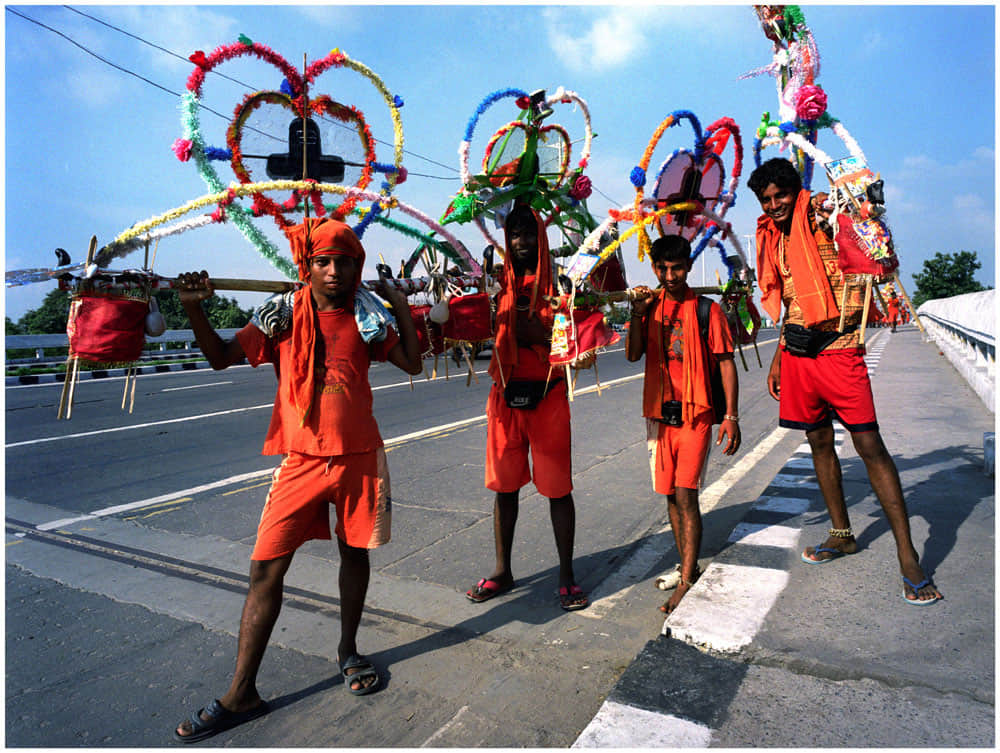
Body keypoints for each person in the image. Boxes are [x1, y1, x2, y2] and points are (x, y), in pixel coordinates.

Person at [173, 218, 423, 743]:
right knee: (265, 570)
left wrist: (399, 302)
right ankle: (242, 692)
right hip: (301, 461)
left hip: (359, 458)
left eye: (345, 261)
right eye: (323, 262)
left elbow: (413, 363)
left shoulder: (368, 316)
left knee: (355, 556)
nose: (334, 271)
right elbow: (220, 359)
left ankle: (348, 651)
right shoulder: (280, 317)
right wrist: (194, 306)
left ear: (357, 266)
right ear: (306, 267)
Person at [748, 157, 941, 605]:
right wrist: (778, 357)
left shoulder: (819, 215)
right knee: (816, 443)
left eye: (781, 196)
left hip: (840, 349)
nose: (774, 205)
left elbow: (852, 211)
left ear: (795, 192)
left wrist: (843, 201)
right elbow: (791, 300)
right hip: (797, 353)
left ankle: (908, 556)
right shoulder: (773, 239)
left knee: (869, 447)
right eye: (767, 199)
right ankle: (841, 533)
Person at [464, 202, 589, 611]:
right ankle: (503, 570)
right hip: (504, 399)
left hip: (548, 397)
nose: (520, 241)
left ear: (541, 237)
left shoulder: (559, 287)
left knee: (558, 490)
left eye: (528, 232)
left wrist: (521, 316)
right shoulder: (495, 284)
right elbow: (476, 328)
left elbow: (558, 338)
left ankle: (567, 573)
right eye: (514, 233)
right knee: (504, 489)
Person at [626, 235, 741, 615]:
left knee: (687, 494)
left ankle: (689, 579)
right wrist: (636, 312)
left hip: (696, 414)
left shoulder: (708, 310)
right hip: (660, 416)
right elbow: (632, 354)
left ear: (688, 267)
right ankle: (685, 564)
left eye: (677, 268)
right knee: (670, 497)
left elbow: (726, 362)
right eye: (663, 269)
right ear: (655, 269)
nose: (671, 275)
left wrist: (731, 416)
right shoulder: (650, 306)